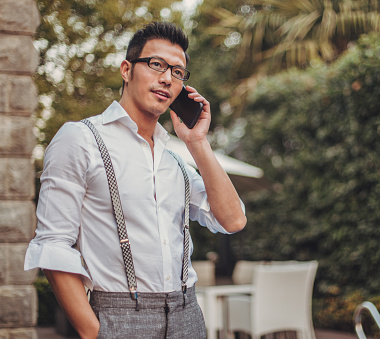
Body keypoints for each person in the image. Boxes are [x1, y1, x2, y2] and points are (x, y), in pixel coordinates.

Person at [24, 22, 247, 338]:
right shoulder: (80, 139)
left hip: (188, 317)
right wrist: (93, 332)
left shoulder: (175, 163)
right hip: (118, 317)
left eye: (178, 72)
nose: (167, 78)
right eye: (157, 64)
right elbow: (52, 243)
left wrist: (198, 143)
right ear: (126, 70)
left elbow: (233, 220)